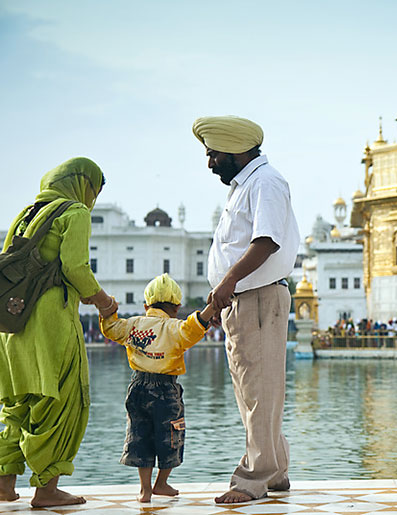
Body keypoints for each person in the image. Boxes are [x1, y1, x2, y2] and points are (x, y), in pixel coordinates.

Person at [192, 115, 300, 504]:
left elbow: (266, 241)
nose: (210, 163)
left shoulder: (265, 182)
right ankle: (276, 473)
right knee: (258, 392)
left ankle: (252, 480)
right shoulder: (247, 184)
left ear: (235, 150)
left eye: (213, 154)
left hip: (255, 296)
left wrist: (227, 282)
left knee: (258, 392)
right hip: (246, 299)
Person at [0, 158, 117, 507]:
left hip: (11, 322)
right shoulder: (75, 212)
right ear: (82, 184)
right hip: (49, 319)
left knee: (17, 402)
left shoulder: (26, 212)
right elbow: (76, 268)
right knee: (57, 397)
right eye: (93, 187)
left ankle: (4, 485)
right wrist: (104, 302)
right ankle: (47, 491)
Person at [98, 273, 216, 502]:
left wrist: (107, 307)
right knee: (171, 435)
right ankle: (161, 483)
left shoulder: (133, 325)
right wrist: (212, 306)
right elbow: (196, 326)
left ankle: (145, 489)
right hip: (166, 389)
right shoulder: (175, 328)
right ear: (176, 307)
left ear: (146, 306)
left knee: (140, 435)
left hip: (138, 386)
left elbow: (111, 328)